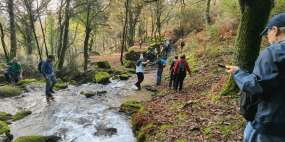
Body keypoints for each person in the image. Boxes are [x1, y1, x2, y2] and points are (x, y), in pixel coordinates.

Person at [225, 13, 285, 142]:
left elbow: (257, 86)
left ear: (275, 30)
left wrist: (237, 72)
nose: (267, 38)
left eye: (267, 34)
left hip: (268, 126)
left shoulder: (273, 52)